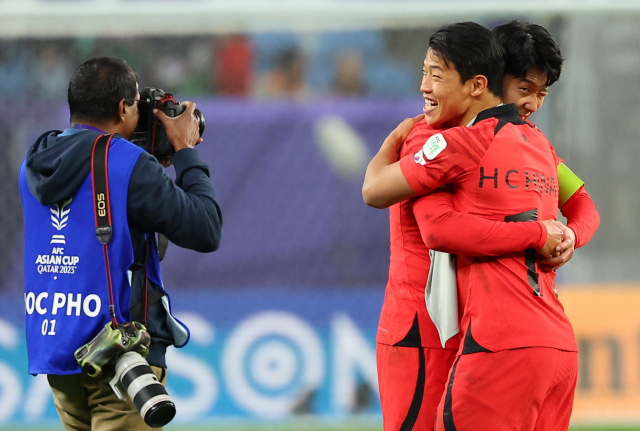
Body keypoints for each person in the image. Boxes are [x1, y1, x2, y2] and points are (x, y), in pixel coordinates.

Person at [364, 22, 599, 431]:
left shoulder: (527, 143)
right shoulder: (432, 135)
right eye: (525, 90)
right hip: (423, 327)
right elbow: (397, 205)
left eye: (542, 93)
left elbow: (583, 204)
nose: (532, 105)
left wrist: (571, 234)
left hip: (479, 329)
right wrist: (544, 233)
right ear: (488, 81)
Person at [19, 57, 223, 431]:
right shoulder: (127, 164)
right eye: (136, 103)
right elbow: (205, 229)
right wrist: (185, 150)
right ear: (123, 107)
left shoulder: (36, 159)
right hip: (119, 351)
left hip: (59, 345)